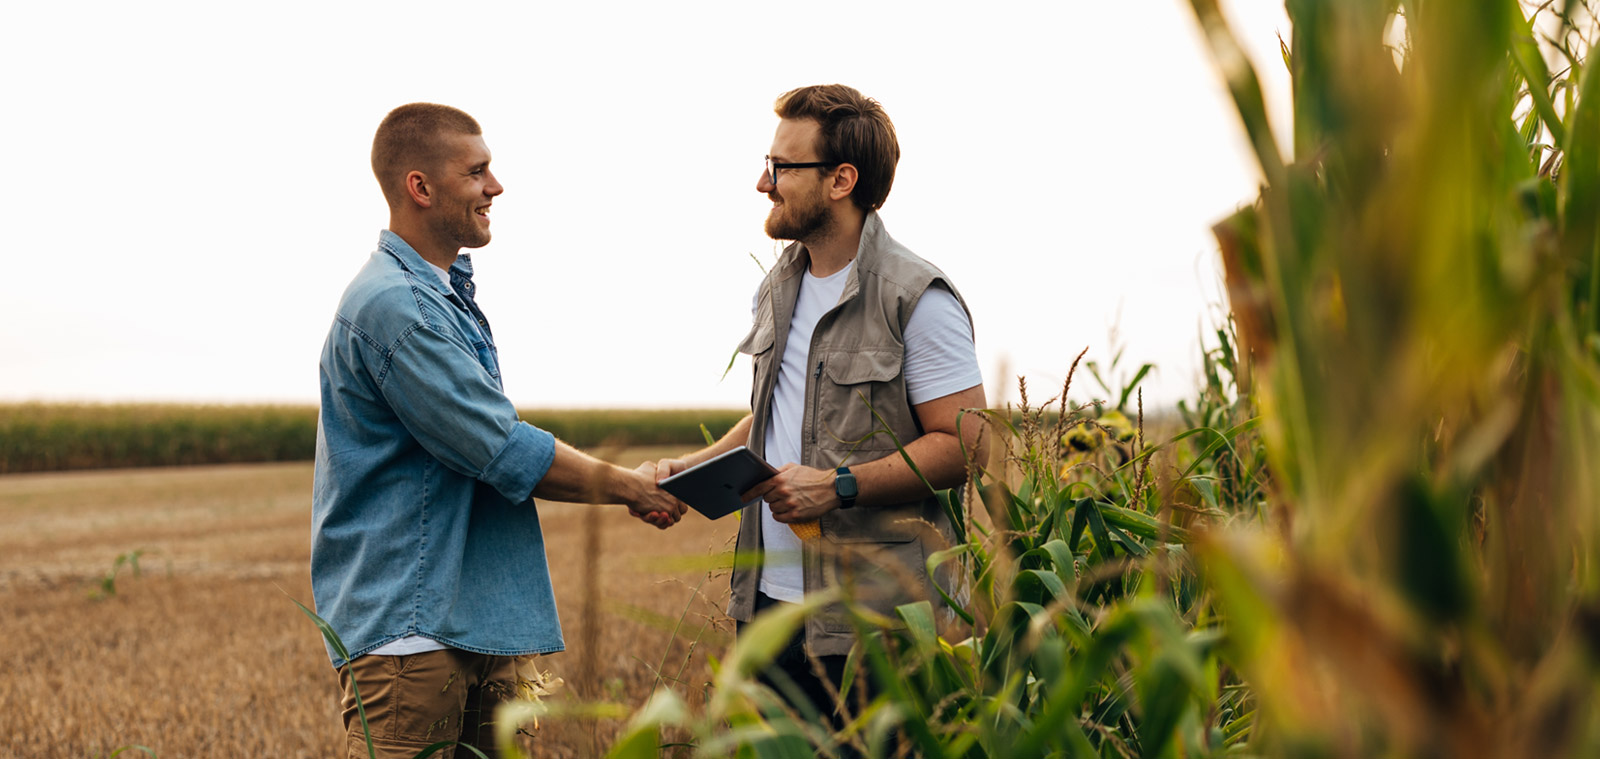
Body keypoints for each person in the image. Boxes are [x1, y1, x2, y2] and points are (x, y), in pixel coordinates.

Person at [312, 102, 684, 759]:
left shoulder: (438, 294)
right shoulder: (396, 308)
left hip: (474, 625)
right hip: (416, 636)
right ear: (420, 188)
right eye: (477, 172)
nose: (496, 187)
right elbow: (498, 447)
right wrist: (631, 485)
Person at [655, 84, 988, 726]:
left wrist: (837, 486)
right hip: (768, 609)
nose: (763, 181)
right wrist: (688, 469)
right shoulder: (778, 286)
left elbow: (965, 446)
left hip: (876, 621)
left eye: (781, 167)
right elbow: (778, 411)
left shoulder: (918, 298)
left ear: (840, 179)